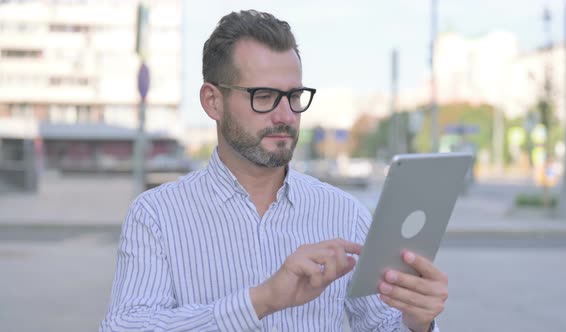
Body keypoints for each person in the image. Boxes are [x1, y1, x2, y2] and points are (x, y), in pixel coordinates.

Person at [100, 10, 447, 332]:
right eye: (264, 96)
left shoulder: (344, 214)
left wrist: (417, 321)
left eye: (294, 96)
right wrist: (262, 300)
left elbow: (381, 326)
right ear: (212, 101)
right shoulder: (156, 217)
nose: (285, 115)